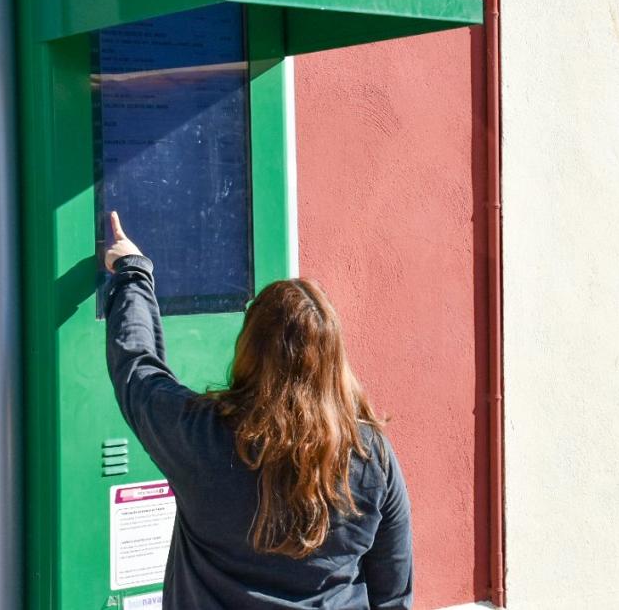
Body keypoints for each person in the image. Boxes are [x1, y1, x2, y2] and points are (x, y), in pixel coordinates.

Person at [103, 211, 413, 610]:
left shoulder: (201, 436)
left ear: (249, 346)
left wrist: (132, 272)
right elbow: (394, 593)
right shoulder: (371, 456)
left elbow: (137, 369)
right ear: (335, 359)